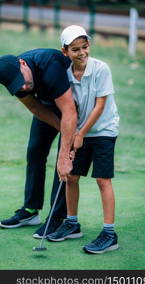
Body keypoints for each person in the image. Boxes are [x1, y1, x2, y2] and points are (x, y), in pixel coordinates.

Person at [46, 25, 120, 254]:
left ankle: (109, 233)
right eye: (75, 49)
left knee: (102, 179)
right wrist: (74, 136)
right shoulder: (65, 75)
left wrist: (80, 134)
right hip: (79, 131)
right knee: (72, 177)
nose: (82, 53)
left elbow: (100, 106)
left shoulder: (101, 69)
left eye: (85, 47)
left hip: (103, 130)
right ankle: (72, 223)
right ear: (65, 51)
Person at [0, 48, 77, 229]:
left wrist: (67, 142)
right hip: (47, 106)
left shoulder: (49, 64)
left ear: (22, 64)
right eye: (16, 85)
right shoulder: (16, 83)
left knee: (63, 160)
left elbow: (69, 111)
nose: (22, 87)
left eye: (21, 80)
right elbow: (36, 109)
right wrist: (60, 128)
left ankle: (57, 217)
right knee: (35, 151)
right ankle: (31, 211)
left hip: (71, 105)